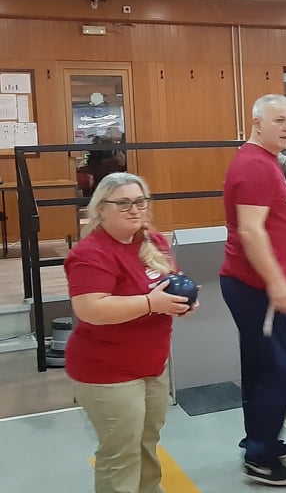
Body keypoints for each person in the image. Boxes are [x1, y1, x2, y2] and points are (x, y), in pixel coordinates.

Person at [64, 172, 196, 493]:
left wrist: (181, 302)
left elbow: (170, 284)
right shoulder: (91, 253)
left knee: (147, 444)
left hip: (151, 365)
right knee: (121, 455)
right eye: (123, 203)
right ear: (101, 208)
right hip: (107, 372)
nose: (134, 209)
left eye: (140, 201)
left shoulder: (153, 241)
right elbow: (91, 309)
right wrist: (152, 303)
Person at [220, 93, 286, 486]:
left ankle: (259, 439)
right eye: (278, 120)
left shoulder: (263, 162)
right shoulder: (255, 166)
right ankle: (260, 456)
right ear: (256, 123)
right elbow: (251, 232)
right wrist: (276, 282)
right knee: (278, 367)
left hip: (252, 286)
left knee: (260, 367)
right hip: (255, 287)